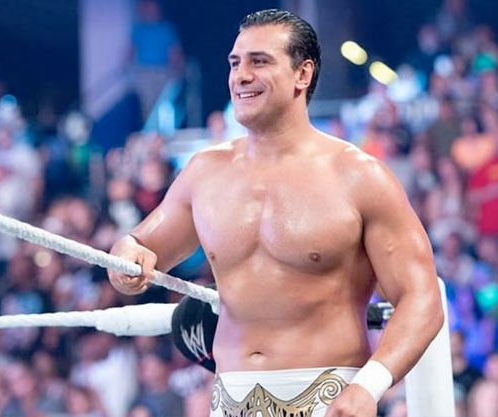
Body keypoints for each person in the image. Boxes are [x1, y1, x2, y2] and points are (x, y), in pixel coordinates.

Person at [108, 9, 443, 417]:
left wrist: (369, 387)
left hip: (329, 399)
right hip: (230, 400)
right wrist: (126, 259)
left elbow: (422, 297)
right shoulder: (205, 173)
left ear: (303, 74)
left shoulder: (359, 176)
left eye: (259, 61)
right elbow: (139, 245)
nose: (241, 76)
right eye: (235, 63)